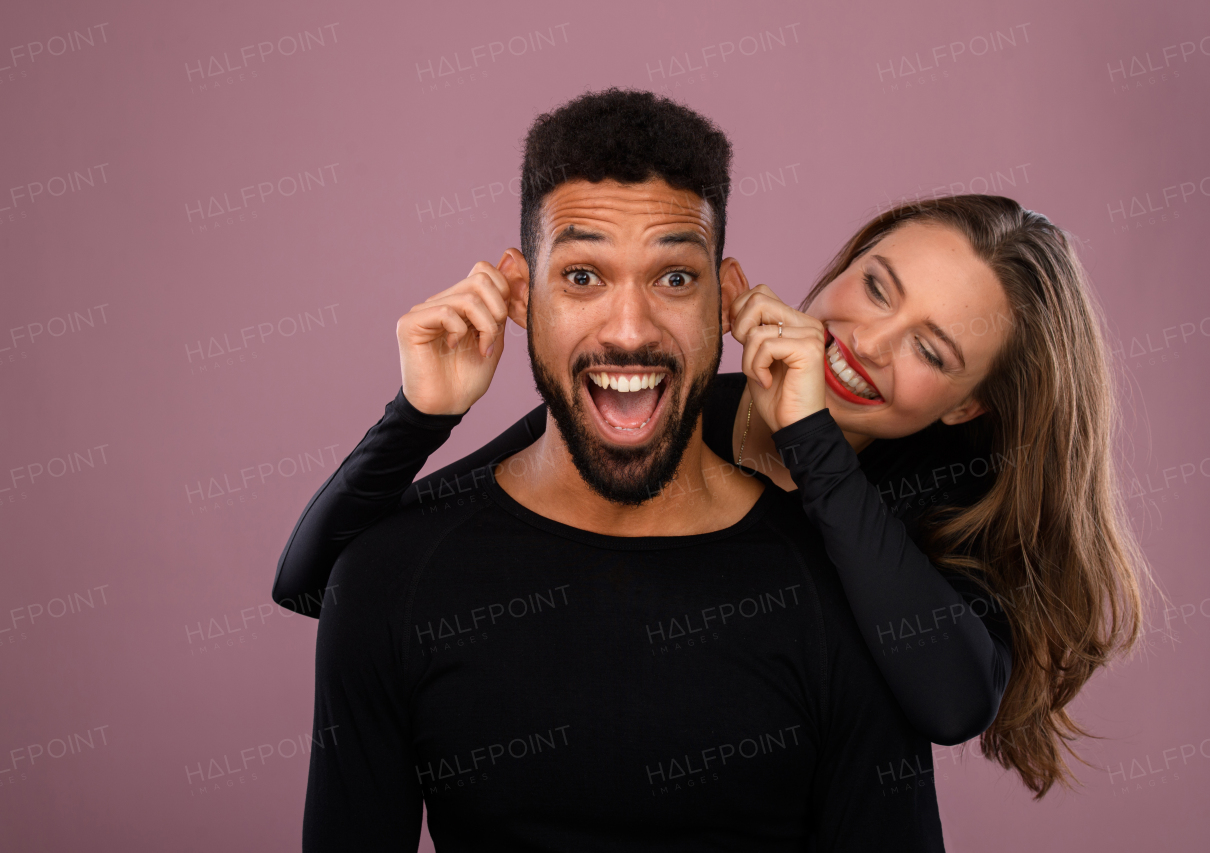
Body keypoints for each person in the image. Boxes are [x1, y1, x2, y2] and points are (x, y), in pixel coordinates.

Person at [280, 110, 1146, 803]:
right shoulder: (683, 406)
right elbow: (326, 581)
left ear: (968, 403)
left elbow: (952, 701)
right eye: (875, 287)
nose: (867, 341)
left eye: (931, 349)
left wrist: (814, 441)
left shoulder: (948, 498)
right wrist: (419, 415)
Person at [300, 89, 946, 851]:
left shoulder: (843, 596)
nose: (630, 330)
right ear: (519, 294)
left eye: (675, 278)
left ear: (726, 298)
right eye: (582, 277)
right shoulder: (390, 574)